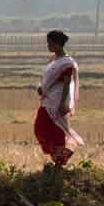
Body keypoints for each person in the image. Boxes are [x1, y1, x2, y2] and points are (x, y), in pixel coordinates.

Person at [34, 30, 83, 167]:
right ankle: (60, 157)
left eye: (49, 43)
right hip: (46, 99)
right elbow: (46, 79)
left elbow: (67, 84)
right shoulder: (53, 59)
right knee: (40, 128)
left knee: (56, 130)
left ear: (57, 44)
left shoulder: (67, 63)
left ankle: (60, 161)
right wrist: (41, 88)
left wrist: (63, 104)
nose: (48, 46)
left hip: (57, 101)